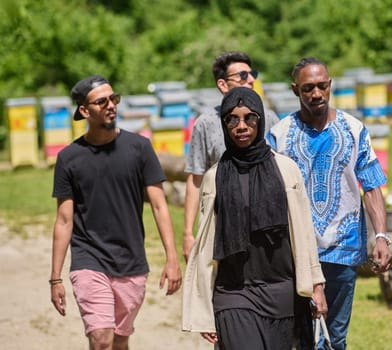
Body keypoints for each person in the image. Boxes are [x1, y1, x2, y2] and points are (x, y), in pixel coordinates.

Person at [182, 87, 327, 350]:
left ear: (260, 120)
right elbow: (206, 247)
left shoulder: (286, 170)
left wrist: (317, 286)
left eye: (250, 118)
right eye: (232, 119)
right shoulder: (215, 178)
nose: (241, 126)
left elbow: (304, 233)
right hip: (234, 293)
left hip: (282, 292)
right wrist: (204, 310)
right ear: (224, 124)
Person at [267, 57, 392, 349]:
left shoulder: (355, 130)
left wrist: (382, 237)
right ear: (295, 90)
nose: (316, 94)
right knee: (302, 337)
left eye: (322, 86)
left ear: (330, 85)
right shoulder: (279, 135)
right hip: (296, 252)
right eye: (308, 88)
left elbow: (371, 186)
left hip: (343, 250)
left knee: (335, 337)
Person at [50, 75, 182, 350]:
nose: (111, 105)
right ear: (84, 111)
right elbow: (64, 221)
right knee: (101, 338)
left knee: (120, 341)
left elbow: (159, 205)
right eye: (102, 101)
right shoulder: (69, 158)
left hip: (131, 261)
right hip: (89, 258)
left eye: (114, 99)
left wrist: (172, 258)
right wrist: (55, 277)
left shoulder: (140, 148)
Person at [183, 51, 280, 261]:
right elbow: (196, 179)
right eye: (243, 76)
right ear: (223, 84)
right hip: (221, 226)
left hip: (265, 225)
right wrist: (188, 234)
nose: (252, 80)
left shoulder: (270, 119)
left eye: (252, 74)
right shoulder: (206, 124)